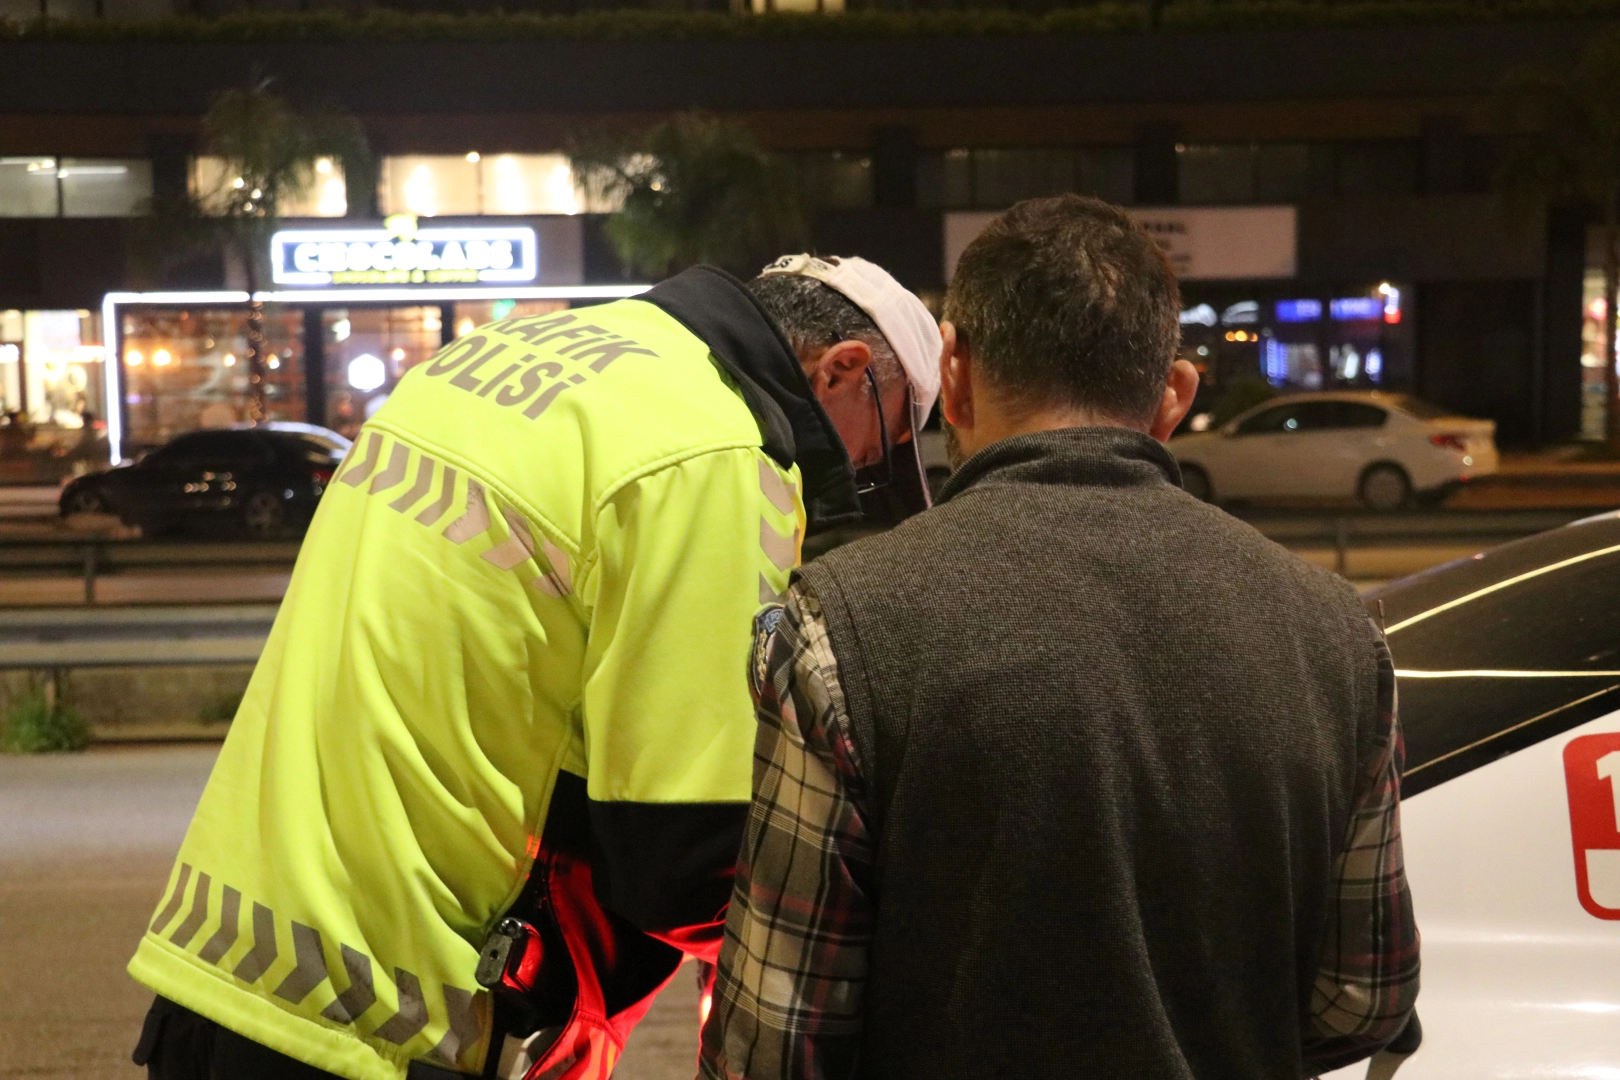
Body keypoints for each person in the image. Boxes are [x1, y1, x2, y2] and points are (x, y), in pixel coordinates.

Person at [127, 256, 939, 1080]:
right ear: (843, 370)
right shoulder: (717, 451)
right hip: (382, 1012)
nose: (861, 470)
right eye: (886, 438)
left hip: (221, 956)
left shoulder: (499, 355)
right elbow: (681, 853)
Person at [701, 195, 1420, 1080]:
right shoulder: (1337, 632)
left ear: (955, 374)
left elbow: (773, 1041)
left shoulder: (843, 621)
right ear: (1175, 396)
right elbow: (1363, 996)